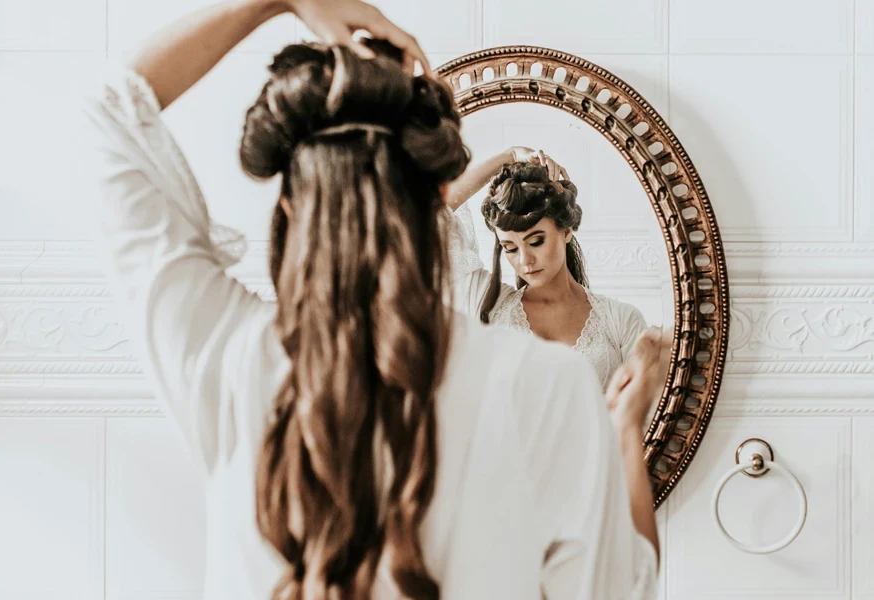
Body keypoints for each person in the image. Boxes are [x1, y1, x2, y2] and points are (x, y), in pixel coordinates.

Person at [79, 0, 662, 597]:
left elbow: (107, 109)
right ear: (437, 199)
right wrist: (623, 432)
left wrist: (275, 1)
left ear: (288, 206)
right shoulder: (550, 385)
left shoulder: (228, 355)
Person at [443, 150, 651, 390]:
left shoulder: (622, 321)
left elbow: (644, 417)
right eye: (509, 248)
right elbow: (429, 213)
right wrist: (510, 155)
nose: (525, 260)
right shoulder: (487, 304)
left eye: (536, 242)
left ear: (567, 231)